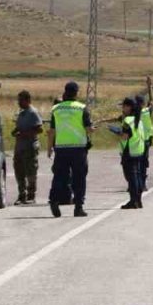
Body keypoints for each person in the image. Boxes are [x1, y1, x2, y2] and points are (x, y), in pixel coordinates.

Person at [48, 81, 92, 218]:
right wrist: (92, 130)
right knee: (79, 178)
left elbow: (52, 131)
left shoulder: (56, 109)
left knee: (59, 176)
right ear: (77, 93)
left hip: (61, 148)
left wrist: (49, 148)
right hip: (78, 148)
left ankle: (54, 200)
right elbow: (88, 129)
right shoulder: (82, 108)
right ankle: (78, 207)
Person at [11, 90, 43, 204]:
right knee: (19, 171)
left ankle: (31, 195)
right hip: (19, 146)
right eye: (18, 100)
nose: (19, 102)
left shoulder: (32, 112)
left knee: (30, 171)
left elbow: (39, 129)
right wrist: (15, 131)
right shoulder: (21, 113)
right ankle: (21, 195)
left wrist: (24, 134)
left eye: (21, 100)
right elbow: (19, 127)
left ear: (28, 100)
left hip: (29, 146)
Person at [117, 97, 146, 209]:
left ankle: (133, 201)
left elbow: (124, 137)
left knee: (131, 177)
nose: (122, 109)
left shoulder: (127, 121)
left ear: (129, 107)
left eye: (124, 106)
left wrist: (117, 133)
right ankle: (138, 200)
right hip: (138, 150)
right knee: (138, 176)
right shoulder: (138, 119)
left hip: (129, 151)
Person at [133, 93, 153, 191]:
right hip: (144, 141)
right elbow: (152, 101)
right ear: (143, 103)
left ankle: (136, 183)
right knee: (143, 163)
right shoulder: (146, 111)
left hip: (136, 141)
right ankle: (142, 184)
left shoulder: (133, 112)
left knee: (136, 163)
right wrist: (150, 87)